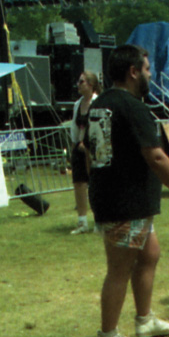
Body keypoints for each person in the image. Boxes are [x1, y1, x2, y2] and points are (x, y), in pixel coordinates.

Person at [85, 45, 169, 337]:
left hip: (117, 199)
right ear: (133, 72)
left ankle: (145, 320)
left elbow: (90, 151)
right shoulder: (133, 107)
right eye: (147, 69)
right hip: (125, 202)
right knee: (119, 268)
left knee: (149, 254)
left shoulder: (100, 105)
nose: (150, 75)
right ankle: (108, 336)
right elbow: (157, 157)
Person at [69, 70, 101, 234]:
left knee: (95, 185)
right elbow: (74, 127)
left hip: (93, 151)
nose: (78, 84)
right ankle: (82, 222)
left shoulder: (98, 102)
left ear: (91, 84)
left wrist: (87, 143)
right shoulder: (77, 104)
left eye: (81, 82)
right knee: (79, 183)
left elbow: (99, 127)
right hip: (78, 149)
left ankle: (99, 221)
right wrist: (75, 144)